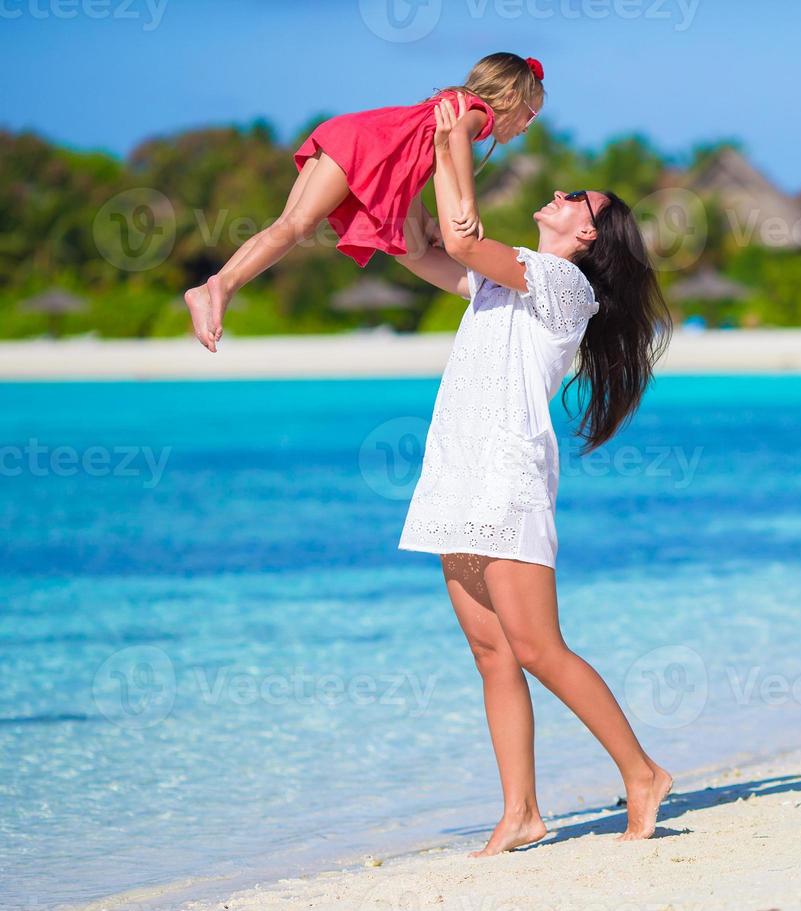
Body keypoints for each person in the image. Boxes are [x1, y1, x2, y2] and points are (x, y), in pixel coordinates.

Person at [393, 95, 673, 853]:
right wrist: (410, 157)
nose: (556, 196)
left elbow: (460, 234)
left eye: (572, 199)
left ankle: (643, 774)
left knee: (536, 646)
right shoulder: (500, 280)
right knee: (490, 651)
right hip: (455, 472)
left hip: (506, 477)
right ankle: (520, 811)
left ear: (587, 234)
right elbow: (416, 244)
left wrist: (456, 143)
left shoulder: (561, 287)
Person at [184, 53, 547, 351]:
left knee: (292, 225)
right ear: (511, 97)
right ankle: (223, 286)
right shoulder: (477, 112)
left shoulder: (450, 102)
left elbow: (411, 168)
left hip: (352, 134)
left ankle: (217, 285)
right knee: (299, 225)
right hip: (361, 147)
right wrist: (469, 203)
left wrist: (430, 222)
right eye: (530, 115)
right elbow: (457, 139)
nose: (527, 127)